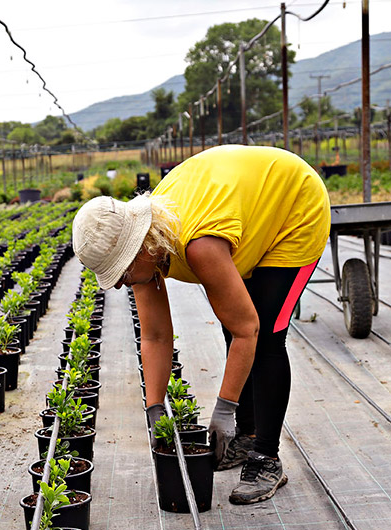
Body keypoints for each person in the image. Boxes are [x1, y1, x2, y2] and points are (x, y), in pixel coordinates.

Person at [71, 145, 330, 505]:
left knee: (265, 334)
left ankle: (266, 457)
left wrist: (224, 409)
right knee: (235, 322)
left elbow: (247, 331)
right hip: (243, 207)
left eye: (122, 271)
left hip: (293, 205)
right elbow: (156, 336)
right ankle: (246, 438)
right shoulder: (150, 249)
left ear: (139, 246)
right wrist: (155, 408)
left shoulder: (198, 246)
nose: (118, 283)